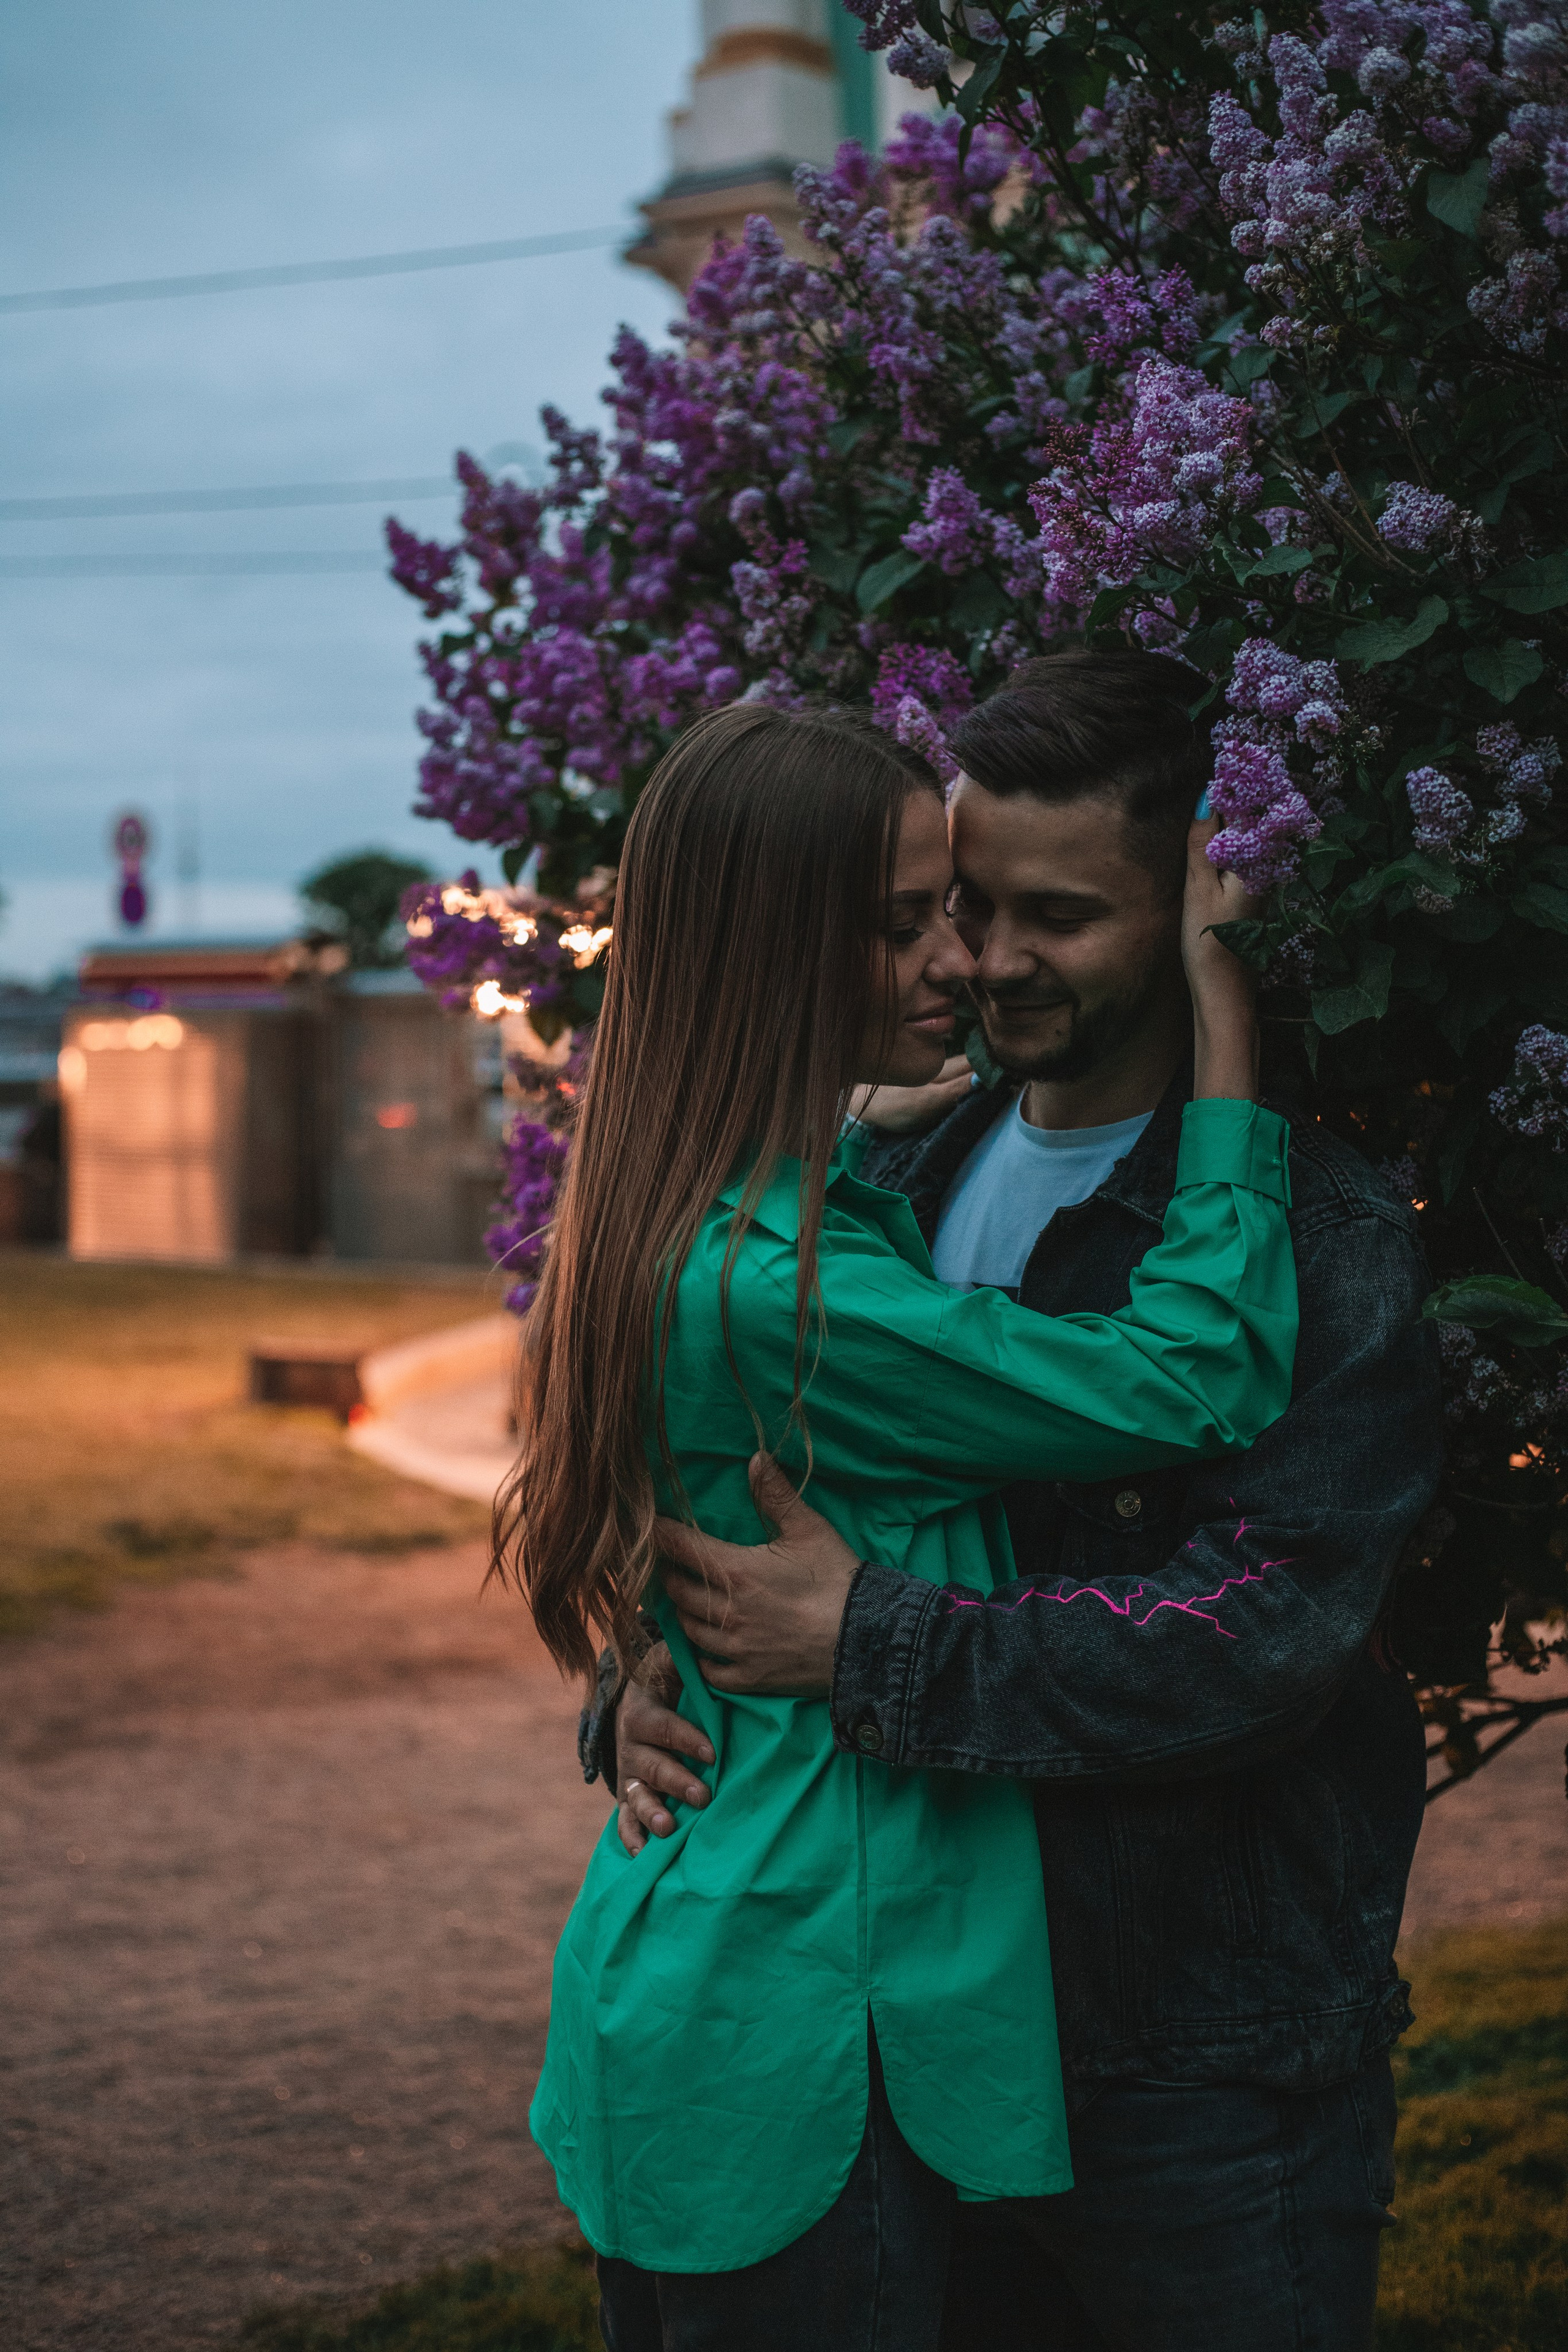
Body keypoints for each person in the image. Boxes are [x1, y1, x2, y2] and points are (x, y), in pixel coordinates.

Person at [600, 650, 1444, 2352]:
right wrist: (645, 1682)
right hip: (904, 2053)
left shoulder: (1327, 1240)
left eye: (1053, 917)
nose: (981, 960)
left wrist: (872, 1644)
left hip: (1187, 2079)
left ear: (1192, 906)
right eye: (960, 905)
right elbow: (716, 1508)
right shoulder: (881, 1174)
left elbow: (1259, 1643)